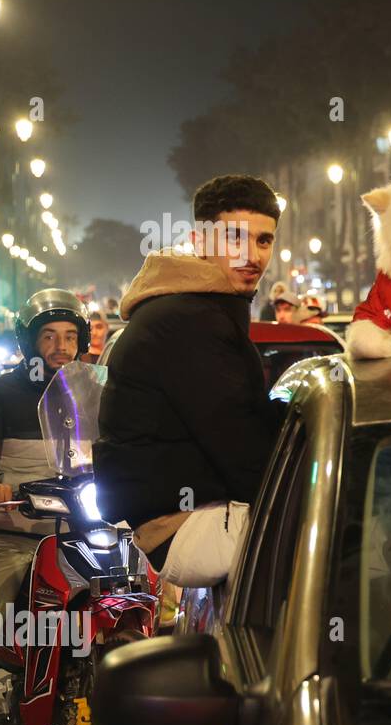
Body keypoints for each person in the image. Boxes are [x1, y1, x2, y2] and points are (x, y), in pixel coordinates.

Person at [94, 174, 283, 587]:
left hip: (191, 521)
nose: (250, 256)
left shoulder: (198, 309)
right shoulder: (189, 319)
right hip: (185, 528)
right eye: (234, 238)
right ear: (201, 240)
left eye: (263, 241)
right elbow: (243, 450)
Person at [0, 290, 90, 616]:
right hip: (15, 530)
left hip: (82, 530)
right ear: (30, 341)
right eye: (49, 336)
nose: (61, 346)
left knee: (128, 584)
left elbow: (118, 450)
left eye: (70, 336)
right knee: (0, 597)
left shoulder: (93, 394)